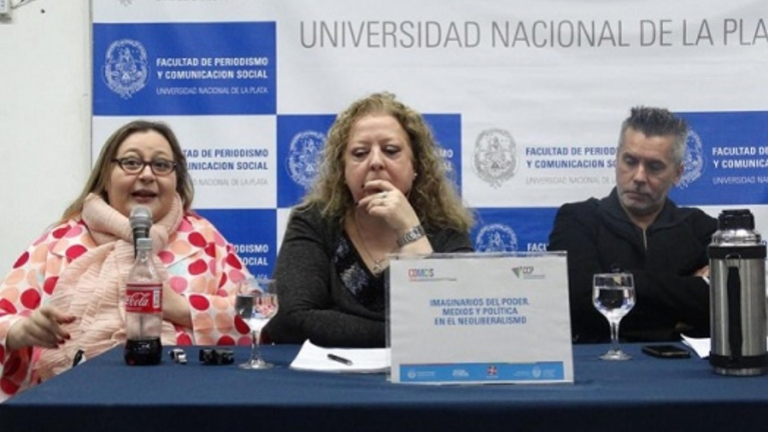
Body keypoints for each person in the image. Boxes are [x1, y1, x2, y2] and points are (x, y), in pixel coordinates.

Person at [0, 120, 251, 401]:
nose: (146, 175)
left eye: (161, 165)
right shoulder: (59, 242)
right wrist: (20, 331)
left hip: (184, 404)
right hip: (72, 407)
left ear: (176, 178)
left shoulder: (204, 239)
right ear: (106, 175)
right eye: (131, 163)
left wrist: (183, 310)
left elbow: (257, 319)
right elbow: (3, 315)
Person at [265, 92, 474, 347]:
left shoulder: (445, 228)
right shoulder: (313, 222)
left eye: (391, 150)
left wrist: (411, 231)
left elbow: (460, 323)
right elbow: (287, 321)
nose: (375, 162)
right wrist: (405, 336)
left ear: (416, 166)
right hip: (330, 383)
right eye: (360, 153)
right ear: (343, 170)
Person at [548, 107, 717, 343]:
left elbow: (723, 305)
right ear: (616, 159)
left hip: (683, 372)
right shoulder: (577, 220)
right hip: (601, 371)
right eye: (630, 161)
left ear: (678, 173)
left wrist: (619, 283)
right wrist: (679, 310)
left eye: (654, 166)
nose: (638, 177)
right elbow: (579, 304)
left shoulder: (702, 229)